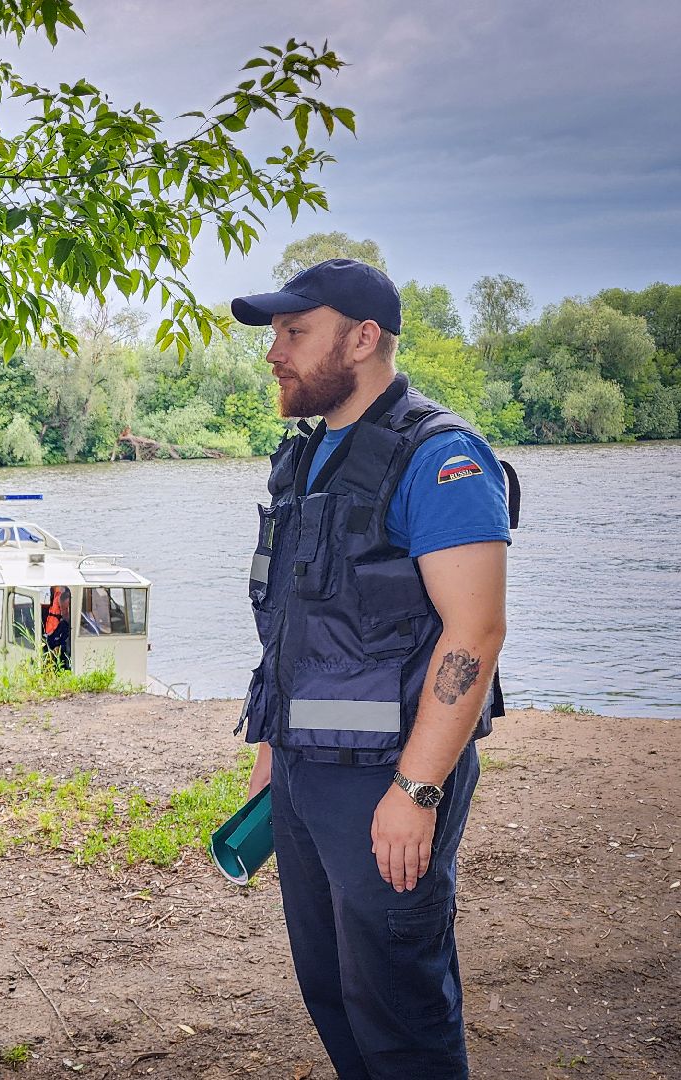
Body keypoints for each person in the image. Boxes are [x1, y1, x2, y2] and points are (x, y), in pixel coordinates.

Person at [231, 259, 510, 1080]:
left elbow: (475, 631)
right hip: (304, 775)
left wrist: (417, 790)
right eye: (276, 334)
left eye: (294, 332)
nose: (274, 353)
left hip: (389, 778)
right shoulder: (308, 456)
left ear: (363, 338)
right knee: (331, 987)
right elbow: (297, 628)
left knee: (398, 1003)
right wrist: (269, 759)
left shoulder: (440, 454)